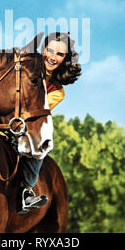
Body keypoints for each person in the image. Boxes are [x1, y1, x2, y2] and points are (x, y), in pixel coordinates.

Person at [17, 32, 82, 214]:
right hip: (2, 116)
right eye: (50, 50)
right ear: (43, 51)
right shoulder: (24, 69)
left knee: (42, 143)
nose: (53, 57)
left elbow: (34, 111)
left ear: (65, 60)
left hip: (22, 125)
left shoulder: (58, 92)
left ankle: (26, 190)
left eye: (60, 54)